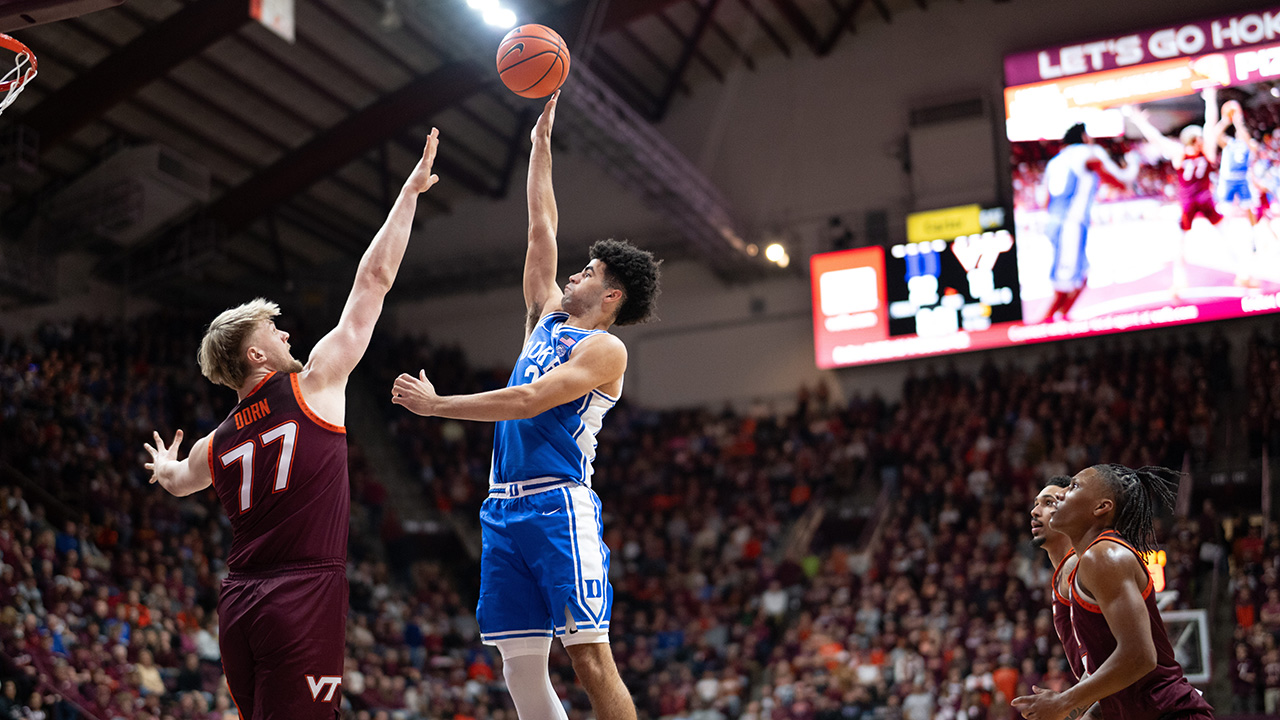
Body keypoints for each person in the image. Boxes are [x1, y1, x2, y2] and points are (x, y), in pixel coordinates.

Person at [143, 128, 444, 719]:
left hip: (239, 603)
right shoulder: (314, 385)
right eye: (273, 331)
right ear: (256, 355)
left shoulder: (216, 442)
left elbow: (177, 482)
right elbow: (373, 282)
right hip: (301, 594)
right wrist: (408, 195)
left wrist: (162, 464)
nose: (285, 333)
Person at [390, 91, 661, 720]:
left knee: (590, 659)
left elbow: (530, 399)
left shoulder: (605, 350)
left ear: (611, 295)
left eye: (589, 272)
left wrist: (437, 406)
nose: (575, 274)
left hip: (557, 503)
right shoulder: (546, 317)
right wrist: (540, 148)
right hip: (502, 506)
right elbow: (542, 228)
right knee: (517, 665)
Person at [1014, 464, 1214, 720]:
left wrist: (1064, 702)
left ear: (1101, 507)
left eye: (1074, 487)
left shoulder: (1104, 555)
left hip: (1170, 713)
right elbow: (1110, 677)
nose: (1061, 494)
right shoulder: (1091, 560)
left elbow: (1140, 656)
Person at [1125, 90, 1231, 296]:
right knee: (1217, 236)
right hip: (1202, 199)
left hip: (1190, 201)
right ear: (1195, 139)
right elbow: (1209, 125)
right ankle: (1240, 272)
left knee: (1183, 243)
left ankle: (1180, 281)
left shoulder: (1180, 153)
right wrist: (1210, 99)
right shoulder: (1203, 151)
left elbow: (1156, 138)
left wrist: (1139, 121)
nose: (1203, 138)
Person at [1039, 123, 1137, 323]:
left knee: (1081, 277)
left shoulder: (1054, 162)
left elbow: (1044, 201)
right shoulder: (1088, 153)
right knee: (1064, 286)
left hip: (1057, 224)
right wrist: (1133, 161)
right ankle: (1043, 328)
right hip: (1071, 227)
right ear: (1084, 137)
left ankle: (1061, 318)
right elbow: (1122, 181)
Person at [1029, 476, 1090, 686]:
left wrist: (1068, 701)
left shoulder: (1079, 565)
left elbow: (1115, 652)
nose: (1034, 511)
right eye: (1036, 503)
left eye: (1048, 503)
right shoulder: (1063, 572)